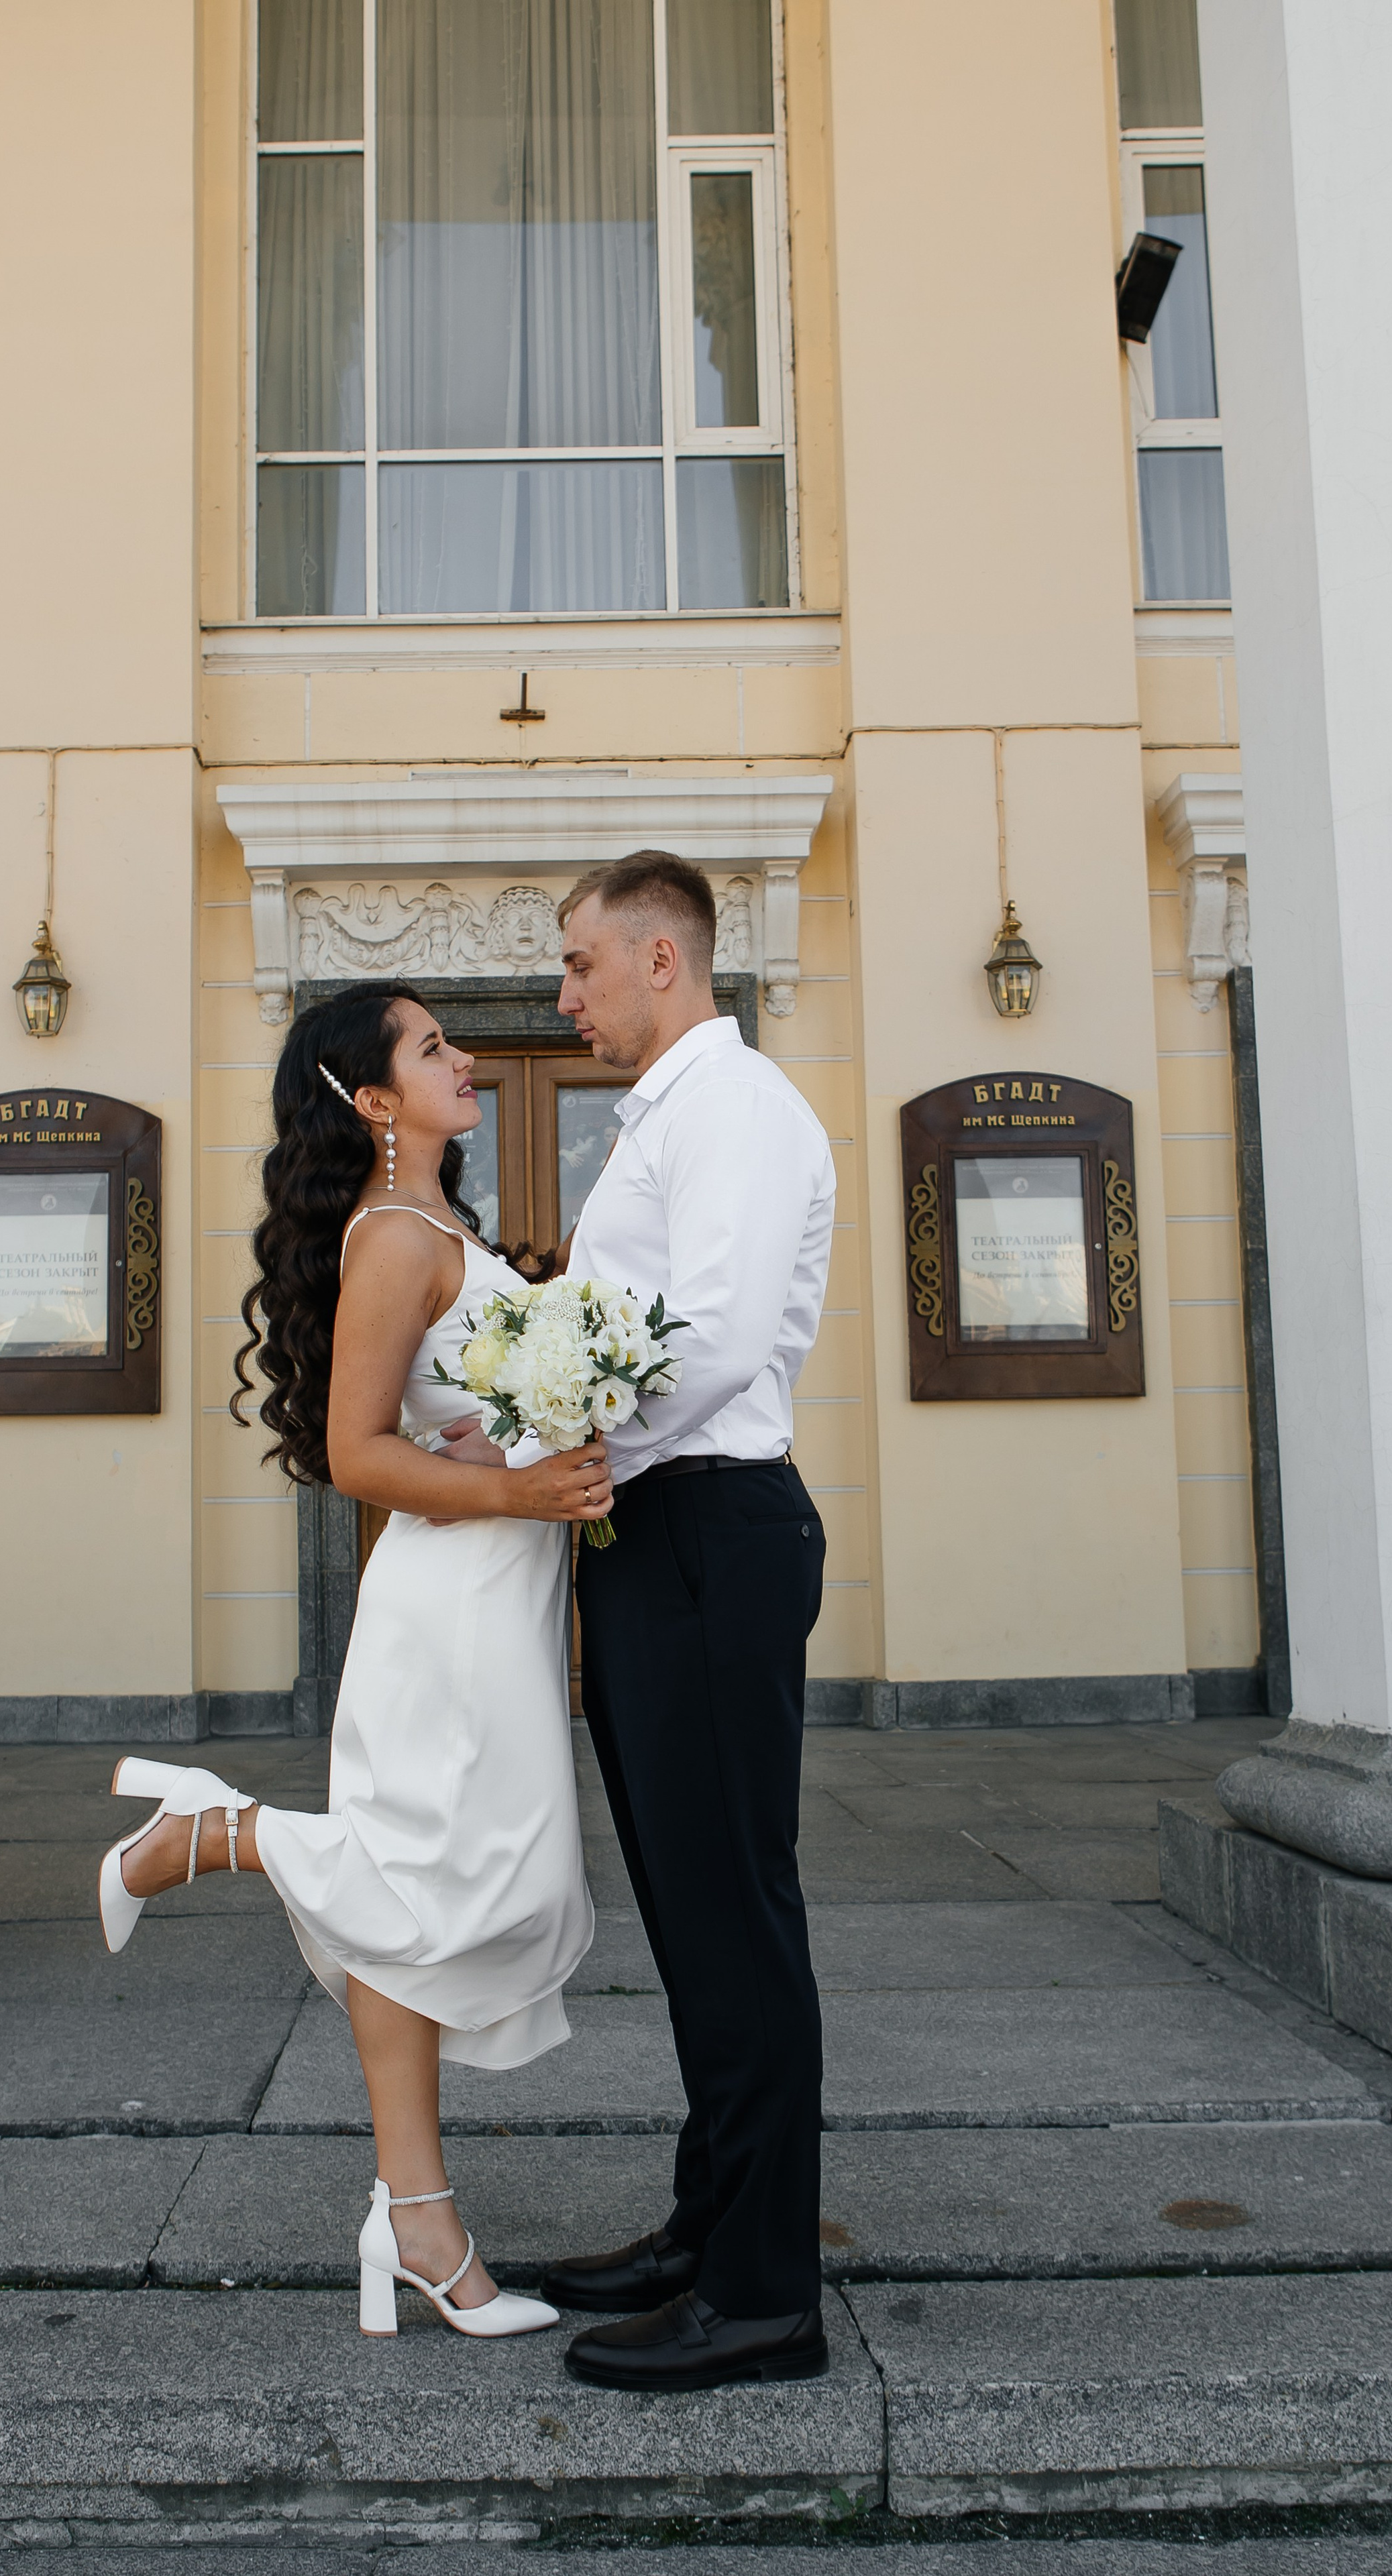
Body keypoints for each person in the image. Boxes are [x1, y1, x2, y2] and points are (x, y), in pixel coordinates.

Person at [95, 983, 610, 2341]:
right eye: (432, 1048)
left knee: (454, 1885)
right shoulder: (393, 1233)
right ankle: (211, 1836)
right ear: (373, 1099)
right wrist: (519, 1490)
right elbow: (349, 1454)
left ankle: (411, 2214)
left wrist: (529, 1431)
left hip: (496, 1596)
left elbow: (452, 1417)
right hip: (448, 1604)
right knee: (434, 1876)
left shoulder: (448, 1223)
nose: (467, 1062)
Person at [533, 850, 837, 2392]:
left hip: (710, 1522)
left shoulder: (733, 1108)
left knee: (732, 1911)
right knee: (689, 1908)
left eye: (580, 964)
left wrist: (576, 1443)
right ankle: (706, 2223)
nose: (562, 994)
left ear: (663, 958)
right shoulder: (666, 1117)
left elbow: (710, 1340)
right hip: (659, 1530)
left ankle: (765, 2293)